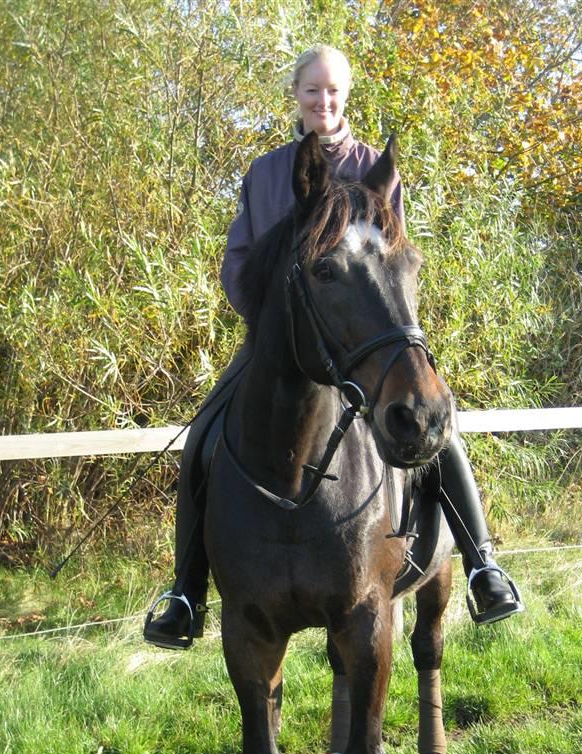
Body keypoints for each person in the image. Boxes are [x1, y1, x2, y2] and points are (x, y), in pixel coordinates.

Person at [144, 45, 523, 650]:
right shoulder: (267, 173)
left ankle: (482, 563)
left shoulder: (374, 167)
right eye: (312, 91)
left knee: (439, 428)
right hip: (279, 347)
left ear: (346, 96)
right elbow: (238, 260)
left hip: (362, 347)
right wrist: (271, 326)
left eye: (334, 92)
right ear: (295, 95)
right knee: (204, 436)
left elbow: (394, 261)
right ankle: (184, 593)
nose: (323, 101)